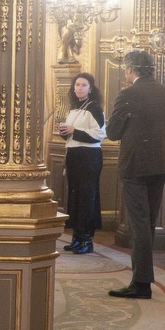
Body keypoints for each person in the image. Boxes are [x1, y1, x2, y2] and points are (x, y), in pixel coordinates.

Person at [104, 48, 165, 299]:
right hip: (160, 164)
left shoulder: (128, 93)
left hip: (135, 165)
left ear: (130, 69)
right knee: (147, 223)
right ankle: (143, 279)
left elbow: (112, 132)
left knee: (139, 225)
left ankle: (142, 283)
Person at [56, 72, 106, 255]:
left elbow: (99, 134)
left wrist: (73, 130)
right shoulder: (74, 108)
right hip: (74, 156)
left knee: (87, 198)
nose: (79, 88)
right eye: (77, 84)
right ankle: (77, 237)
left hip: (89, 157)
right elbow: (72, 138)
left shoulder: (94, 108)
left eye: (83, 85)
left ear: (90, 89)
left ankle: (87, 239)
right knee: (76, 198)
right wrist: (65, 132)